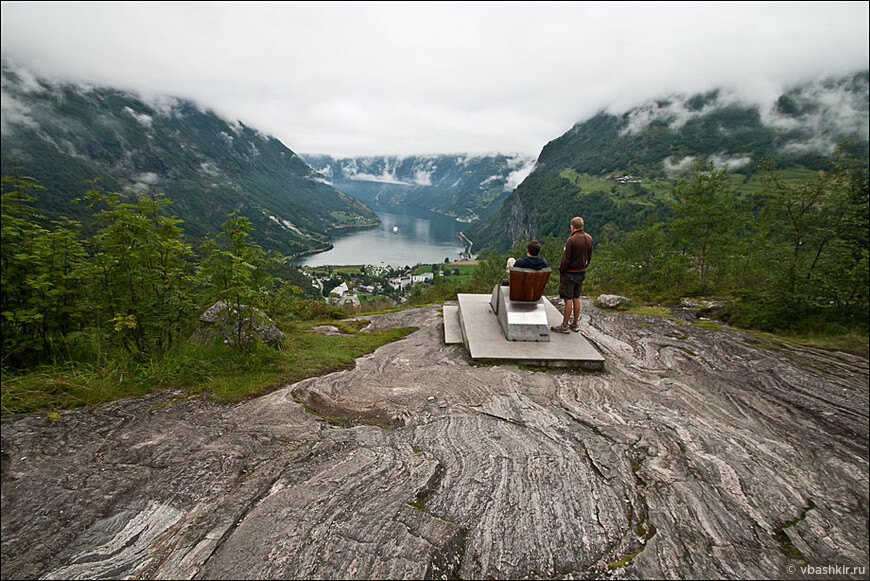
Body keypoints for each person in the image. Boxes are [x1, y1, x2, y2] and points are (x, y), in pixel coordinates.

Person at [551, 216, 593, 333]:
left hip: (569, 273)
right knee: (576, 297)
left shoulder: (571, 240)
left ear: (572, 226)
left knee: (567, 299)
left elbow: (566, 258)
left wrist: (561, 270)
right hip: (581, 272)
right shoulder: (589, 238)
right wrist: (584, 267)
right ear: (582, 226)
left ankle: (564, 325)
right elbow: (589, 256)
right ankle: (575, 323)